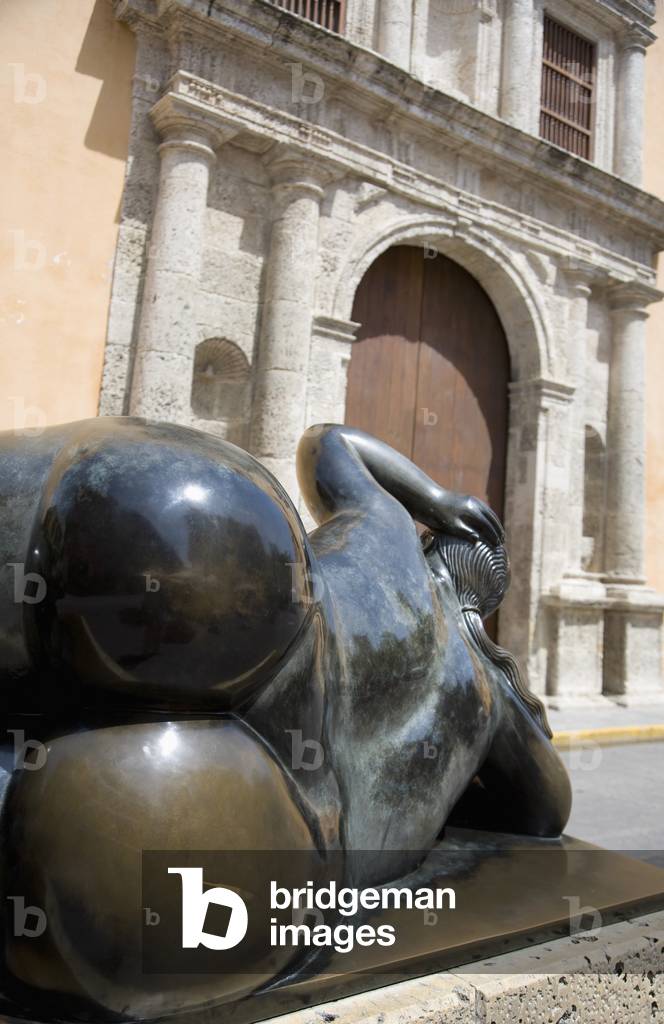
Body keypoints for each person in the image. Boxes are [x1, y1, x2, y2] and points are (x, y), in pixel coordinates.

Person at [0, 418, 570, 1021]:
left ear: (438, 549)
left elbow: (329, 442)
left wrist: (436, 499)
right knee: (118, 859)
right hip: (244, 776)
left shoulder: (385, 524)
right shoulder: (483, 684)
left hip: (200, 516)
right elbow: (545, 810)